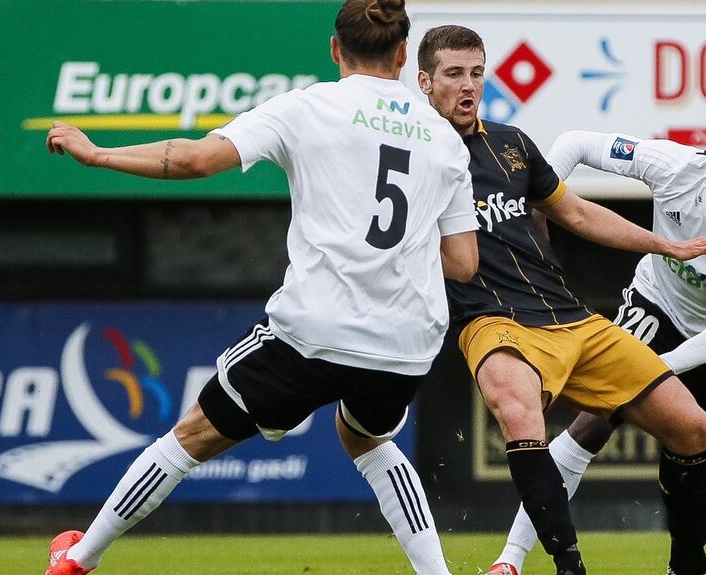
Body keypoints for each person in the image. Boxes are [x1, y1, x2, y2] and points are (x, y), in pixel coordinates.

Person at [42, 2, 479, 574]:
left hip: (313, 332)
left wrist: (98, 153)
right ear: (403, 55)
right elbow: (464, 263)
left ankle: (77, 559)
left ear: (334, 49)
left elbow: (196, 159)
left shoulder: (307, 107)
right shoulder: (444, 140)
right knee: (366, 437)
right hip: (403, 343)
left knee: (192, 434)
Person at [416, 25, 706, 575]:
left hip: (572, 318)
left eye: (476, 72)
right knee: (522, 418)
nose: (468, 86)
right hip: (492, 322)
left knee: (694, 429)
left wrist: (670, 245)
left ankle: (689, 565)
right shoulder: (411, 159)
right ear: (425, 81)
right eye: (453, 74)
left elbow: (578, 213)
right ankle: (569, 568)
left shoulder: (512, 144)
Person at [488, 104, 706, 575]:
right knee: (594, 420)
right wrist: (540, 201)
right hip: (656, 304)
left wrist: (652, 375)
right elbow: (576, 141)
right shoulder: (674, 166)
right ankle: (510, 562)